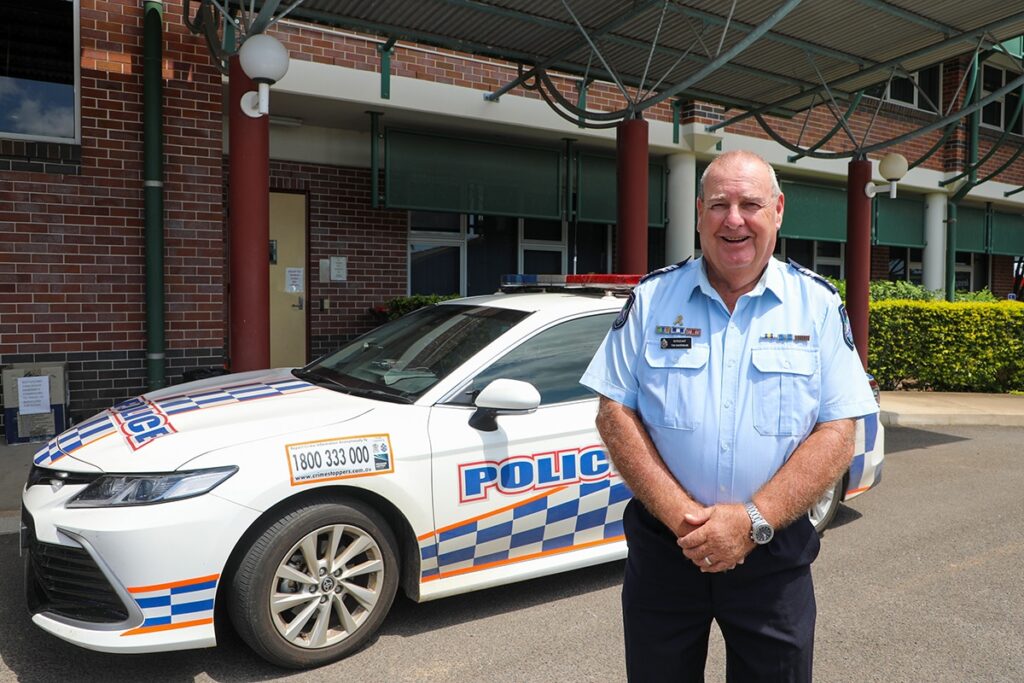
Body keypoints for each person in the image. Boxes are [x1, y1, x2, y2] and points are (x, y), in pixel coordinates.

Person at [580, 150, 878, 682]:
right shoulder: (651, 299)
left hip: (773, 553)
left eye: (750, 204)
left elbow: (837, 431)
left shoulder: (817, 305)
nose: (734, 219)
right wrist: (684, 519)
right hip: (668, 550)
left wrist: (751, 521)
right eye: (719, 204)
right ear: (698, 213)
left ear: (779, 210)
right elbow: (614, 413)